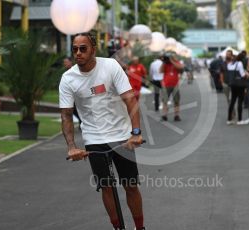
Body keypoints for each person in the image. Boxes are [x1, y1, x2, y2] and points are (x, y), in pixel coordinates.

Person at [59, 32, 145, 230]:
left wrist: (136, 132)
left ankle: (140, 227)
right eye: (75, 49)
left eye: (83, 48)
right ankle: (118, 227)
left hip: (122, 136)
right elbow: (66, 115)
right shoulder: (68, 79)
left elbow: (130, 99)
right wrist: (72, 147)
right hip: (94, 138)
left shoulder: (110, 66)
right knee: (106, 187)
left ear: (93, 50)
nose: (78, 53)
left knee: (130, 185)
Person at [160, 53, 184, 121]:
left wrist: (172, 61)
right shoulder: (165, 64)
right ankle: (164, 115)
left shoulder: (176, 62)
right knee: (165, 101)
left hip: (175, 85)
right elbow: (160, 71)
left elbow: (181, 67)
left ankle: (176, 115)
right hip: (166, 85)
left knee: (176, 101)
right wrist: (164, 62)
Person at [226, 53, 247, 125]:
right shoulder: (239, 64)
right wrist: (246, 74)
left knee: (232, 101)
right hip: (240, 85)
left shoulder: (229, 65)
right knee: (240, 102)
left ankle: (229, 119)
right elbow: (243, 75)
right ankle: (240, 120)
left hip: (233, 85)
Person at [63, 57, 82, 126]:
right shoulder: (65, 72)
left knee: (76, 109)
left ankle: (82, 122)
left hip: (76, 94)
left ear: (70, 62)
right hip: (69, 95)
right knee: (72, 110)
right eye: (64, 62)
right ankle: (81, 121)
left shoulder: (75, 70)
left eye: (66, 62)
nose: (65, 64)